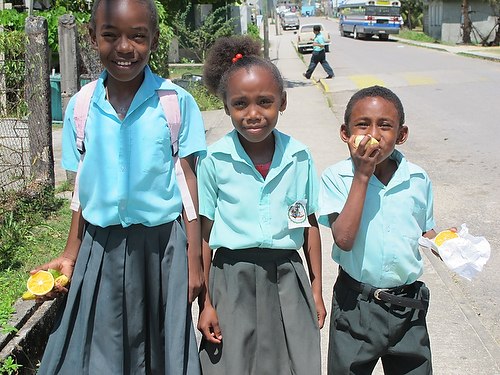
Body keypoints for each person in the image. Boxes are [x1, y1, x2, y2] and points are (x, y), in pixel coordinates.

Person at [32, 0, 206, 373]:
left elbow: (188, 186)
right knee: (101, 350)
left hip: (162, 248)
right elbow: (83, 188)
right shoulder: (81, 106)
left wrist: (194, 263)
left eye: (138, 36)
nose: (124, 47)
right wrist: (70, 253)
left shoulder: (175, 103)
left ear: (154, 40)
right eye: (110, 35)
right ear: (93, 38)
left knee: (162, 350)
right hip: (101, 247)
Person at [197, 35, 326, 375]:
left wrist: (315, 289)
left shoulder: (300, 157)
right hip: (230, 280)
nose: (253, 114)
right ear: (225, 106)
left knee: (294, 363)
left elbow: (309, 225)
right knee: (229, 365)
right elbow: (204, 235)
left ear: (282, 102)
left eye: (265, 102)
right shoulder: (213, 160)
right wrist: (206, 303)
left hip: (287, 275)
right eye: (240, 104)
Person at [319, 85, 437, 374]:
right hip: (355, 306)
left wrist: (450, 244)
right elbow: (344, 239)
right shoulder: (337, 177)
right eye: (363, 125)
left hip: (407, 307)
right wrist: (362, 174)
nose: (374, 134)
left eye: (385, 126)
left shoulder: (418, 179)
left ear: (401, 134)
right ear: (345, 133)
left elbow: (425, 232)